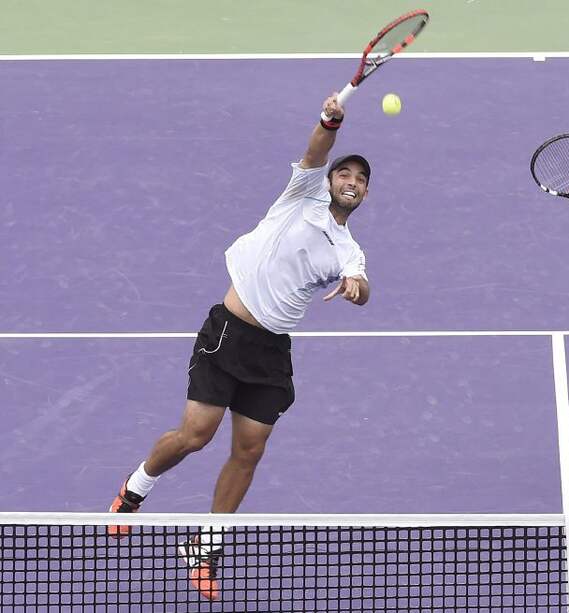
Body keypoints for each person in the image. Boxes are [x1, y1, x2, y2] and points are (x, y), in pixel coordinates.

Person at [107, 93, 371, 600]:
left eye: (361, 180)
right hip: (228, 331)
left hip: (272, 354)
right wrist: (329, 119)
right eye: (347, 175)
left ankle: (204, 549)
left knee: (249, 451)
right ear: (332, 180)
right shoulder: (302, 193)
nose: (352, 183)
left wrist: (358, 288)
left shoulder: (349, 248)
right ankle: (134, 490)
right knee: (195, 435)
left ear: (364, 194)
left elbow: (361, 283)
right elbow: (317, 148)